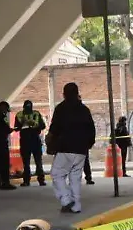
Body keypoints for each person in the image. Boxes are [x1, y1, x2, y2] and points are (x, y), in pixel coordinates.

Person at [47, 82, 96, 213]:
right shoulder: (85, 110)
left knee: (57, 174)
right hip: (81, 150)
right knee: (75, 178)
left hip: (65, 148)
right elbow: (91, 129)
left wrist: (50, 142)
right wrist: (88, 145)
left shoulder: (61, 109)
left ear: (64, 94)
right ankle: (76, 206)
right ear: (77, 94)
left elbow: (54, 128)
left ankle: (66, 199)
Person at [14, 99, 46, 187]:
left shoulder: (36, 114)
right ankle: (28, 181)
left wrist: (33, 124)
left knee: (37, 161)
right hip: (26, 140)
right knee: (27, 162)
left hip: (33, 139)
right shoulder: (20, 115)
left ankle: (39, 180)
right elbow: (16, 128)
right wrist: (23, 123)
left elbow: (43, 126)